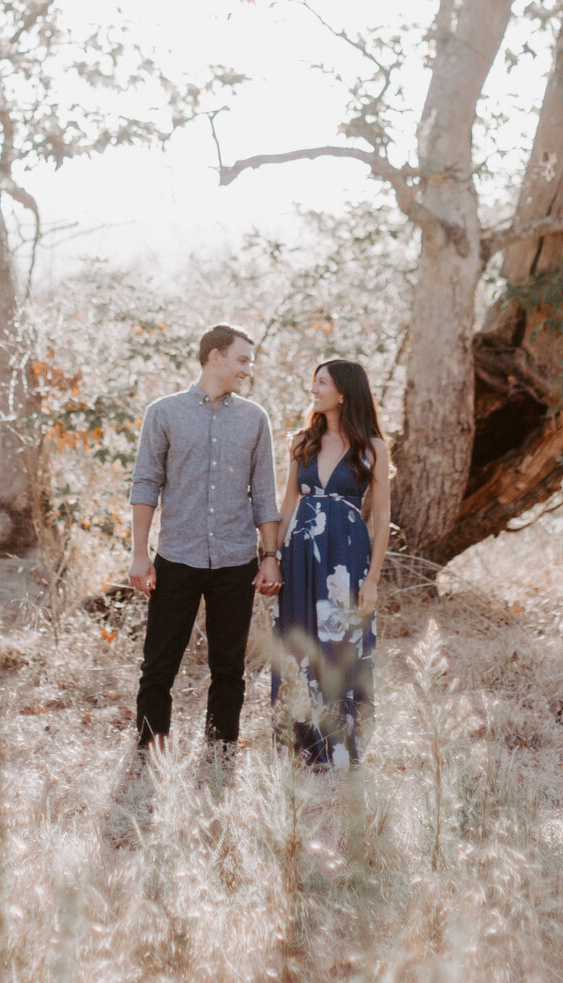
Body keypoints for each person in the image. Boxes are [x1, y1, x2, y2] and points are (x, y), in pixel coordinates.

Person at [129, 323, 281, 752]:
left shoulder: (254, 419)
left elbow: (265, 494)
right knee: (159, 664)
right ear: (214, 356)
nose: (247, 370)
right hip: (177, 556)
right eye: (242, 360)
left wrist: (270, 556)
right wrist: (140, 555)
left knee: (229, 666)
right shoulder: (164, 413)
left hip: (236, 559)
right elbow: (145, 485)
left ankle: (221, 750)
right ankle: (150, 747)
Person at [271, 358, 393, 766]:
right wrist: (271, 557)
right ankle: (299, 748)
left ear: (343, 392)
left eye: (321, 382)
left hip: (346, 562)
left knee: (342, 646)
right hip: (300, 559)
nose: (314, 389)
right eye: (314, 381)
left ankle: (342, 747)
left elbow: (381, 518)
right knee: (297, 642)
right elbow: (288, 502)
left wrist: (372, 579)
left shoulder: (373, 447)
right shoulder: (302, 441)